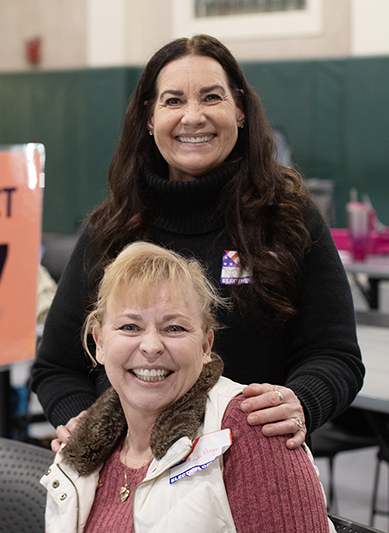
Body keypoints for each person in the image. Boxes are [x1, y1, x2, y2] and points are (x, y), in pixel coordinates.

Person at [31, 34, 363, 452]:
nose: (193, 117)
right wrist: (92, 428)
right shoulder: (111, 228)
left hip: (258, 469)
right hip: (133, 477)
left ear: (239, 110)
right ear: (149, 119)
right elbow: (57, 367)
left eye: (211, 97)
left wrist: (301, 402)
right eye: (173, 101)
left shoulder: (289, 218)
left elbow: (336, 355)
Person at [41, 242, 333, 532]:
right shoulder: (81, 452)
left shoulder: (251, 430)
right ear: (100, 343)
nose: (151, 346)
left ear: (206, 345)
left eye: (175, 328)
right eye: (130, 327)